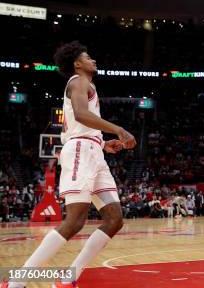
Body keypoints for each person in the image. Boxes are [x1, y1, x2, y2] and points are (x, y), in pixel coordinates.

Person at [5, 41, 136, 288]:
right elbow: (81, 115)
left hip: (92, 151)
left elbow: (83, 125)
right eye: (88, 57)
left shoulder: (87, 84)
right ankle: (17, 281)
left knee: (114, 219)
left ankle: (68, 278)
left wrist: (102, 142)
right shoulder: (78, 81)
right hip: (80, 153)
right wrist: (119, 129)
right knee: (75, 220)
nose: (93, 60)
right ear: (77, 63)